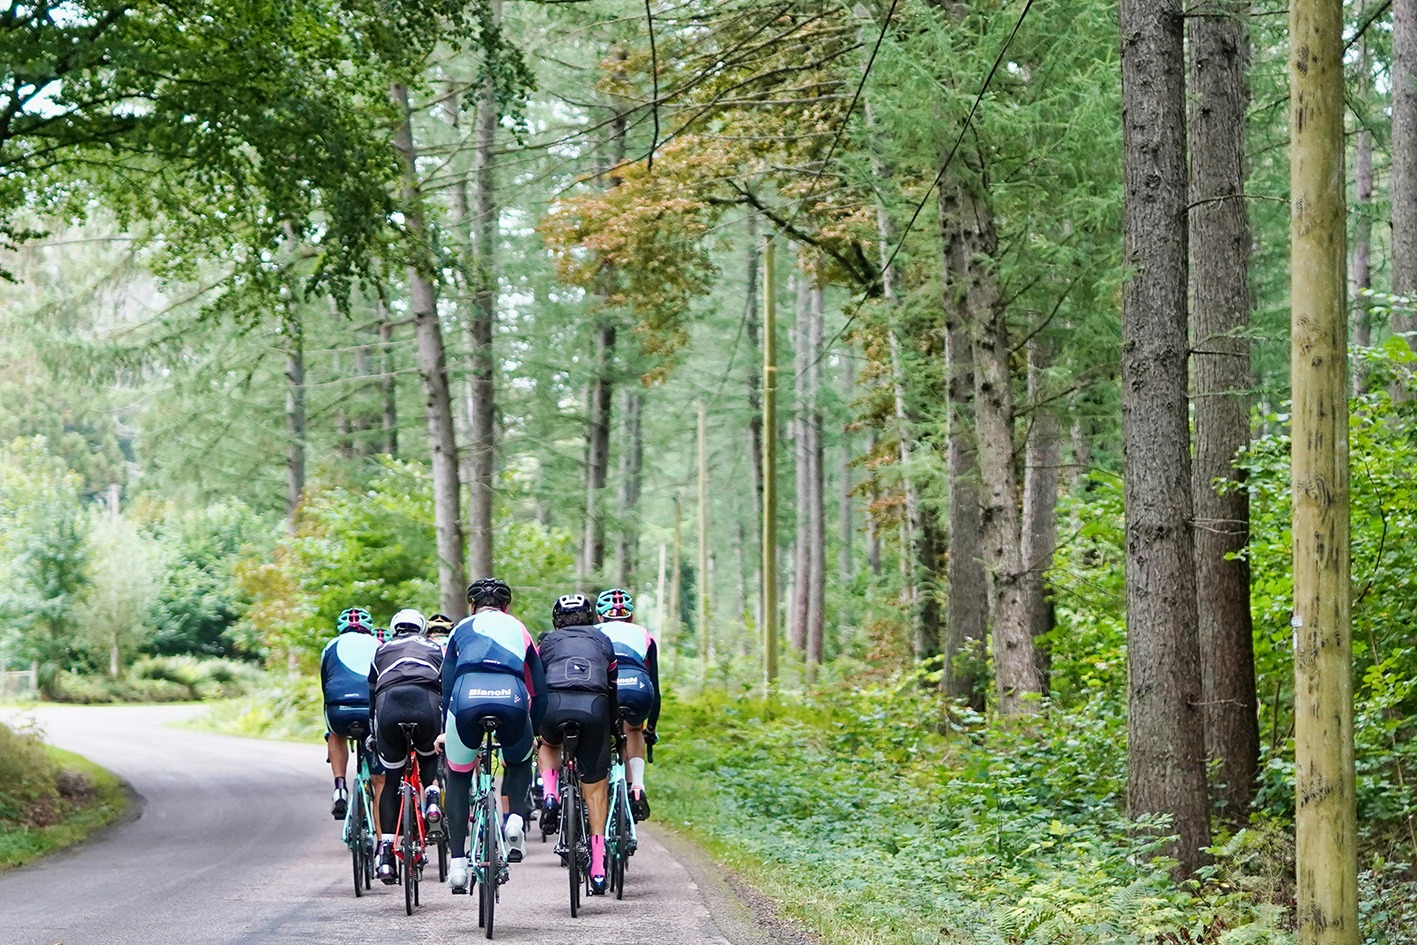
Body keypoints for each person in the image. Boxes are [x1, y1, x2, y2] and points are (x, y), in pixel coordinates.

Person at [439, 577, 546, 893]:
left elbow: (445, 685)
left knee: (458, 776)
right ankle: (514, 820)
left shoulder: (460, 629)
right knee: (518, 761)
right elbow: (538, 690)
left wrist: (447, 726)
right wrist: (535, 731)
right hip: (510, 698)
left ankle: (458, 866)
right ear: (506, 607)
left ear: (472, 606)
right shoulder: (519, 629)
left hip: (466, 699)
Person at [537, 592, 618, 895]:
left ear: (556, 621)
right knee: (595, 787)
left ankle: (549, 794)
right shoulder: (602, 640)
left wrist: (535, 725)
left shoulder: (546, 642)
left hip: (554, 703)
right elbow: (612, 688)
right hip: (594, 705)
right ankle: (598, 868)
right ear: (591, 618)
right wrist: (611, 730)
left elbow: (534, 682)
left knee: (548, 744)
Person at [367, 608, 445, 883]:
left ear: (394, 628)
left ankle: (386, 854)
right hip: (426, 703)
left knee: (391, 780)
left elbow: (372, 693)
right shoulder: (435, 647)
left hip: (389, 705)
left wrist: (373, 733)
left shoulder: (382, 649)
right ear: (421, 628)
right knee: (428, 758)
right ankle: (433, 797)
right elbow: (445, 687)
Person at [595, 587, 660, 821]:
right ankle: (637, 787)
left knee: (598, 731)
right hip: (638, 686)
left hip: (605, 685)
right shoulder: (644, 634)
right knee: (634, 728)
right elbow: (656, 686)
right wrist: (650, 728)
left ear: (600, 616)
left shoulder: (594, 632)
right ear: (630, 617)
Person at [320, 607, 384, 823]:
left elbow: (324, 685)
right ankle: (380, 842)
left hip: (339, 710)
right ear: (369, 628)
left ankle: (340, 786)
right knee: (380, 780)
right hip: (370, 710)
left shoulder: (330, 646)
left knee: (334, 732)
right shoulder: (379, 645)